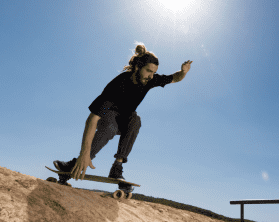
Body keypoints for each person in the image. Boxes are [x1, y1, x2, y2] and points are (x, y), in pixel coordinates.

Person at [52, 43, 192, 188]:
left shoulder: (150, 80)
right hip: (107, 118)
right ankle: (75, 164)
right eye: (148, 71)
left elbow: (175, 78)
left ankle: (116, 168)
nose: (151, 76)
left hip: (124, 120)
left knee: (135, 120)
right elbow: (92, 119)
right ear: (138, 67)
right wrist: (84, 154)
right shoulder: (118, 84)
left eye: (154, 72)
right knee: (110, 127)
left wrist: (184, 72)